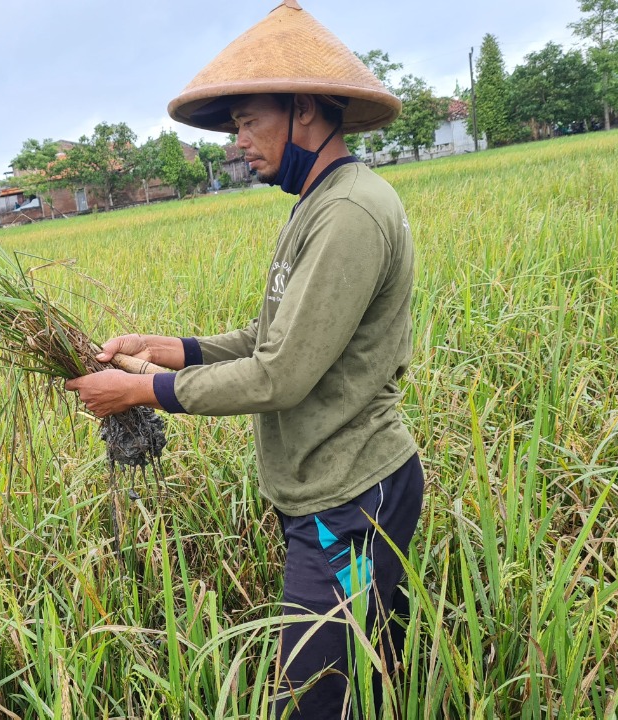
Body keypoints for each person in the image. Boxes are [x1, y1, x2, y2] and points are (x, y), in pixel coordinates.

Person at [64, 1, 424, 716]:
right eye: (235, 127)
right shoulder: (316, 203)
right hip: (329, 488)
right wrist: (170, 349)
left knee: (314, 700)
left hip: (351, 501)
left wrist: (143, 392)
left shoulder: (348, 213)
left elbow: (279, 376)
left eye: (250, 120)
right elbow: (274, 338)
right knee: (369, 683)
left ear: (307, 112)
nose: (240, 141)